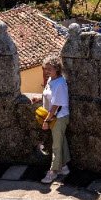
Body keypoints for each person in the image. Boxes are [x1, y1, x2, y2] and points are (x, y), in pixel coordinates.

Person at [32, 55, 70, 184]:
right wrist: (39, 98)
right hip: (53, 115)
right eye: (45, 68)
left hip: (59, 117)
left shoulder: (60, 83)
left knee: (56, 146)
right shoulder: (51, 80)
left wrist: (47, 121)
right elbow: (48, 94)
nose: (47, 71)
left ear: (57, 69)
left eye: (50, 69)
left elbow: (55, 105)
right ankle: (64, 167)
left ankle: (53, 172)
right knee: (61, 141)